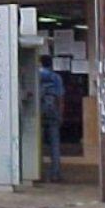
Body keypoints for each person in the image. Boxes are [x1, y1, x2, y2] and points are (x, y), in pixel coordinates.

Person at [39, 54, 65, 182]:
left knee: (38, 142)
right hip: (53, 109)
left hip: (38, 109)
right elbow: (60, 97)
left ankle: (37, 171)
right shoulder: (56, 77)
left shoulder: (36, 75)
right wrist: (60, 114)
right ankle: (55, 173)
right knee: (55, 143)